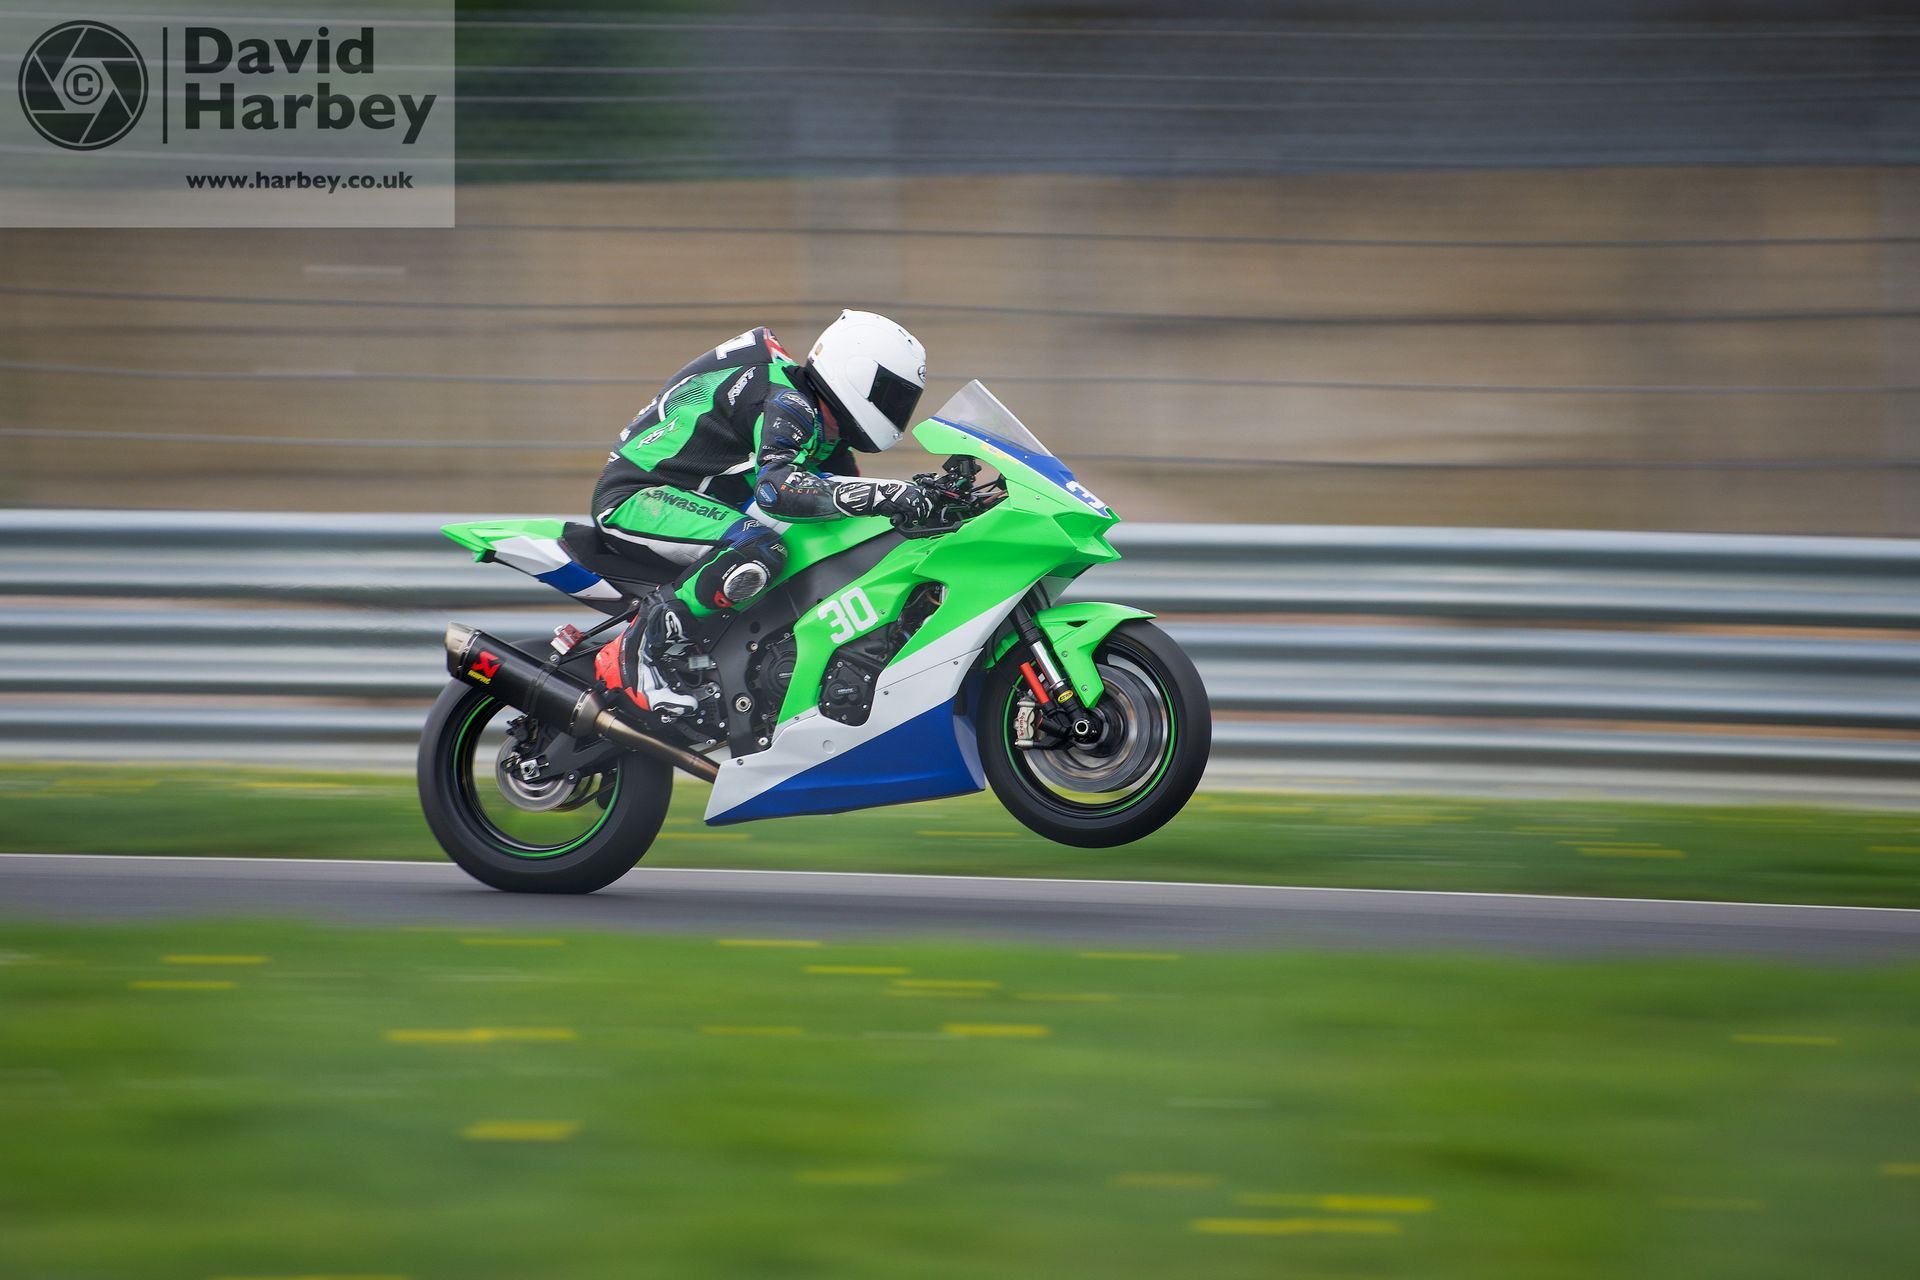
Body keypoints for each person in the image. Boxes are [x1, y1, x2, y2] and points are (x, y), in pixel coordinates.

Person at [590, 310, 935, 720]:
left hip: (690, 501)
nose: (897, 409)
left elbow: (850, 514)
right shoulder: (786, 398)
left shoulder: (827, 439)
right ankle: (636, 654)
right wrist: (893, 492)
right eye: (892, 395)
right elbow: (778, 490)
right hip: (638, 498)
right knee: (758, 546)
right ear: (856, 372)